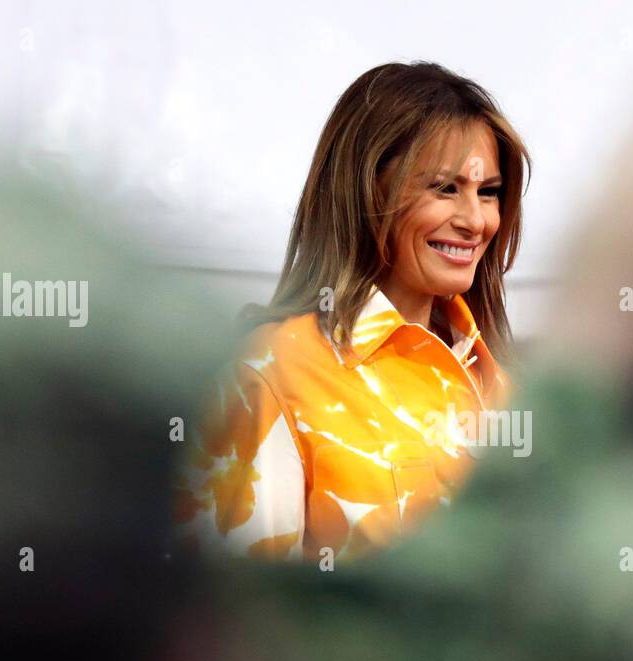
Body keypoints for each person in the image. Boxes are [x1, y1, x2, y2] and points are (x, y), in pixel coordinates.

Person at [173, 62, 530, 562]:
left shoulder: (499, 381)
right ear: (367, 191)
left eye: (488, 192)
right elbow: (239, 620)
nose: (475, 220)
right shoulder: (271, 374)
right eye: (445, 188)